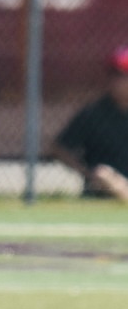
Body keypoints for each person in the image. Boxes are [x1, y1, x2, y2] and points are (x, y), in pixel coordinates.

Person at [51, 46, 128, 201]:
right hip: (103, 192)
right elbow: (59, 148)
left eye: (123, 75)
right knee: (104, 174)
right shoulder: (94, 113)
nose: (118, 81)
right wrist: (87, 174)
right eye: (115, 74)